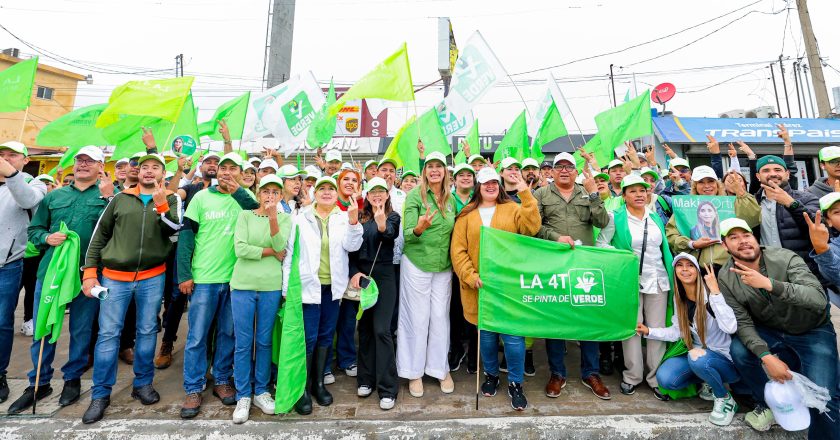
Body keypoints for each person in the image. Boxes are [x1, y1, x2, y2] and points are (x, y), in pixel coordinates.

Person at [8, 146, 112, 414]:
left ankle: (72, 378)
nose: (83, 165)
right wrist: (46, 238)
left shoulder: (107, 198)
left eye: (90, 161)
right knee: (43, 328)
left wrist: (111, 198)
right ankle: (39, 382)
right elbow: (35, 230)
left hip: (87, 274)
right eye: (79, 160)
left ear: (102, 167)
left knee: (80, 329)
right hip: (51, 273)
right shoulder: (54, 197)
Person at [80, 153, 182, 423]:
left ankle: (143, 384)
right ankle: (100, 393)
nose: (149, 171)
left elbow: (174, 231)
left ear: (162, 174)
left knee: (148, 331)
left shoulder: (172, 198)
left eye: (155, 168)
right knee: (108, 335)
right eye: (144, 167)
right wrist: (90, 273)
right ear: (137, 172)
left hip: (152, 277)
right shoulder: (119, 198)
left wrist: (161, 206)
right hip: (114, 277)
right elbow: (99, 236)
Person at [716, 218, 838, 438]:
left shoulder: (784, 257)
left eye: (746, 235)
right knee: (739, 350)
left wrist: (770, 284)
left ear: (755, 239)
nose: (742, 241)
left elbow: (818, 299)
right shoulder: (726, 276)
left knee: (825, 396)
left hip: (812, 330)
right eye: (733, 238)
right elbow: (742, 322)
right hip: (771, 329)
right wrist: (766, 356)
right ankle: (769, 404)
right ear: (725, 246)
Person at [451, 167, 541, 410]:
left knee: (513, 337)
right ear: (478, 188)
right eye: (485, 183)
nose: (490, 186)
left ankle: (515, 383)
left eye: (494, 182)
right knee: (487, 338)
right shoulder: (466, 216)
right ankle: (491, 375)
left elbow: (531, 227)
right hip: (480, 286)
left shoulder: (512, 208)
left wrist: (524, 192)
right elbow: (457, 251)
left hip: (508, 285)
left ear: (499, 185)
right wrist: (470, 275)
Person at [177, 152, 258, 419]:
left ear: (240, 173)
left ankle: (222, 378)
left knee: (228, 333)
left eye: (233, 168)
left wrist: (239, 192)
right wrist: (185, 274)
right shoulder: (200, 197)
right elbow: (187, 237)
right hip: (204, 279)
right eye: (223, 168)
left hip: (236, 280)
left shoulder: (245, 199)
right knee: (197, 336)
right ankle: (194, 386)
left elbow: (259, 216)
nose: (226, 172)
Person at [534, 152, 610, 400]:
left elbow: (602, 220)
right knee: (556, 320)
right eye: (559, 167)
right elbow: (534, 226)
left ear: (576, 171)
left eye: (569, 166)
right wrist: (555, 237)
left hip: (583, 266)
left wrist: (594, 194)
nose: (564, 170)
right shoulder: (541, 194)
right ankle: (557, 373)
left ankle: (591, 373)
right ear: (552, 172)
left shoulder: (586, 192)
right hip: (553, 264)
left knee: (587, 319)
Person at [282, 176, 362, 409]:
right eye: (322, 189)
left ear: (337, 194)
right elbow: (289, 256)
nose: (326, 192)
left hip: (332, 288)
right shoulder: (299, 218)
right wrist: (287, 289)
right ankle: (302, 389)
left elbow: (352, 246)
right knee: (308, 338)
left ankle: (318, 384)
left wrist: (354, 223)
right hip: (307, 288)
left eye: (330, 189)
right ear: (314, 193)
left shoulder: (342, 217)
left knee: (326, 336)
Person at [637, 253, 740, 426]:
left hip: (724, 359)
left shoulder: (710, 295)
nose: (685, 269)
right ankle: (709, 381)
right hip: (699, 354)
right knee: (666, 378)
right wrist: (649, 331)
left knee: (697, 358)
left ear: (697, 270)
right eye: (679, 265)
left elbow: (730, 327)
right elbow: (677, 332)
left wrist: (715, 292)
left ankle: (724, 397)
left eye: (690, 265)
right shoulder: (681, 300)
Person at [596, 174, 672, 401]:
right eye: (633, 191)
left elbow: (663, 248)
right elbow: (601, 243)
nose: (639, 195)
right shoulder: (615, 217)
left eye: (643, 190)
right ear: (624, 195)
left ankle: (656, 379)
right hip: (629, 282)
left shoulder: (655, 217)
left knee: (657, 331)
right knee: (632, 330)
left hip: (658, 280)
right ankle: (632, 376)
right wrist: (622, 256)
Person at [229, 174, 293, 423]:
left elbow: (282, 244)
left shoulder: (286, 218)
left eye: (275, 192)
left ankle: (262, 391)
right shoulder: (245, 215)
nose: (270, 196)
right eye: (266, 191)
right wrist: (269, 252)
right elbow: (240, 249)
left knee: (265, 341)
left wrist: (274, 218)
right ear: (258, 193)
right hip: (243, 285)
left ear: (280, 196)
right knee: (243, 342)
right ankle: (243, 394)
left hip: (270, 286)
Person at [398, 151, 457, 398]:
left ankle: (439, 368)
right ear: (424, 171)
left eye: (439, 166)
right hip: (417, 264)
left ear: (444, 171)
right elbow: (408, 232)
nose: (434, 170)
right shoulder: (414, 196)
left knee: (440, 318)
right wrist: (420, 227)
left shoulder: (450, 199)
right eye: (430, 166)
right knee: (417, 318)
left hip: (443, 267)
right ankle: (414, 372)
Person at [348, 177, 401, 410]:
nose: (377, 195)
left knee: (382, 330)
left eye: (382, 191)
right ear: (367, 196)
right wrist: (354, 273)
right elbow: (349, 250)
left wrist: (381, 224)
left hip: (385, 276)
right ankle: (365, 379)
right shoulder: (358, 216)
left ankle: (388, 388)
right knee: (366, 329)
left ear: (387, 194)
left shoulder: (393, 216)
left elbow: (389, 235)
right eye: (373, 192)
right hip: (363, 277)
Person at [0, 141, 47, 404]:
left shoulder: (34, 183)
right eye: (1, 155)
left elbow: (27, 200)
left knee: (1, 323)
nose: (5, 159)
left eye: (12, 156)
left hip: (7, 266)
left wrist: (10, 175)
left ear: (25, 160)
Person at [665, 165, 760, 267]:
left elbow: (753, 218)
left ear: (717, 184)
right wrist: (692, 244)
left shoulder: (730, 204)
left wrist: (741, 192)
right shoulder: (685, 207)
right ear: (695, 186)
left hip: (730, 267)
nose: (707, 186)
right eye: (701, 182)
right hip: (698, 268)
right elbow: (671, 236)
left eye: (710, 181)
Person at [752, 155, 822, 281]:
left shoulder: (807, 198)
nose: (773, 174)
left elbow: (819, 229)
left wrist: (791, 203)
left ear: (787, 174)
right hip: (767, 276)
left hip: (804, 274)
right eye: (766, 170)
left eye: (777, 170)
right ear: (758, 176)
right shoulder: (751, 203)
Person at [330, 168, 364, 381]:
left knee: (349, 319)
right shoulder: (330, 205)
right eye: (346, 180)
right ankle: (325, 364)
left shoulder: (361, 206)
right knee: (330, 319)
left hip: (353, 271)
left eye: (354, 180)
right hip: (331, 270)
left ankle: (347, 359)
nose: (350, 183)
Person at [448, 163, 476, 373]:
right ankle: (456, 348)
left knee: (475, 310)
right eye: (461, 175)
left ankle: (475, 352)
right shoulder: (447, 199)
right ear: (454, 180)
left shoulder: (480, 199)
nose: (465, 178)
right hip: (451, 262)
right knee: (455, 309)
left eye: (469, 175)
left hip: (475, 261)